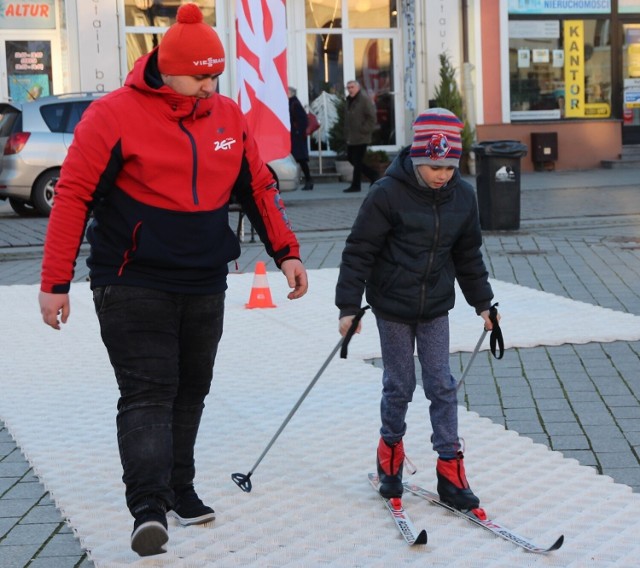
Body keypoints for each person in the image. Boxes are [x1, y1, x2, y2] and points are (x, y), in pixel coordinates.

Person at [38, 3, 308, 558]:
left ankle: (180, 488)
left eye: (216, 74)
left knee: (192, 389)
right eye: (201, 74)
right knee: (148, 392)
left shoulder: (228, 117)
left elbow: (258, 189)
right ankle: (148, 509)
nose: (210, 85)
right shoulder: (113, 115)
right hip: (130, 279)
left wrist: (287, 253)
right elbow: (72, 196)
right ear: (167, 67)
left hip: (205, 278)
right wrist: (54, 281)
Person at [335, 108, 497, 511]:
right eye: (433, 166)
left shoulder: (462, 197)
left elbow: (468, 255)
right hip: (391, 306)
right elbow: (359, 251)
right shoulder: (387, 193)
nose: (442, 174)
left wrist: (483, 303)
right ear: (418, 159)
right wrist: (348, 306)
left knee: (442, 383)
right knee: (400, 383)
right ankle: (390, 453)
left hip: (435, 306)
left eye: (449, 166)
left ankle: (449, 467)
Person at [342, 80, 379, 193]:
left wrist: (364, 129)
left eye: (352, 87)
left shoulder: (363, 99)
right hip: (352, 137)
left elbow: (372, 117)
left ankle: (356, 185)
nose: (350, 89)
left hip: (361, 137)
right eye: (348, 87)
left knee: (357, 161)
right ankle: (373, 175)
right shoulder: (349, 100)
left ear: (357, 87)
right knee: (351, 159)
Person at [288, 86, 314, 190]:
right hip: (295, 136)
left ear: (291, 93)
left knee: (301, 159)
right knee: (299, 159)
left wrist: (298, 132)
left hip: (297, 136)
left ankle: (308, 180)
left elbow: (302, 120)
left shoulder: (294, 103)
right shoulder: (293, 103)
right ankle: (307, 180)